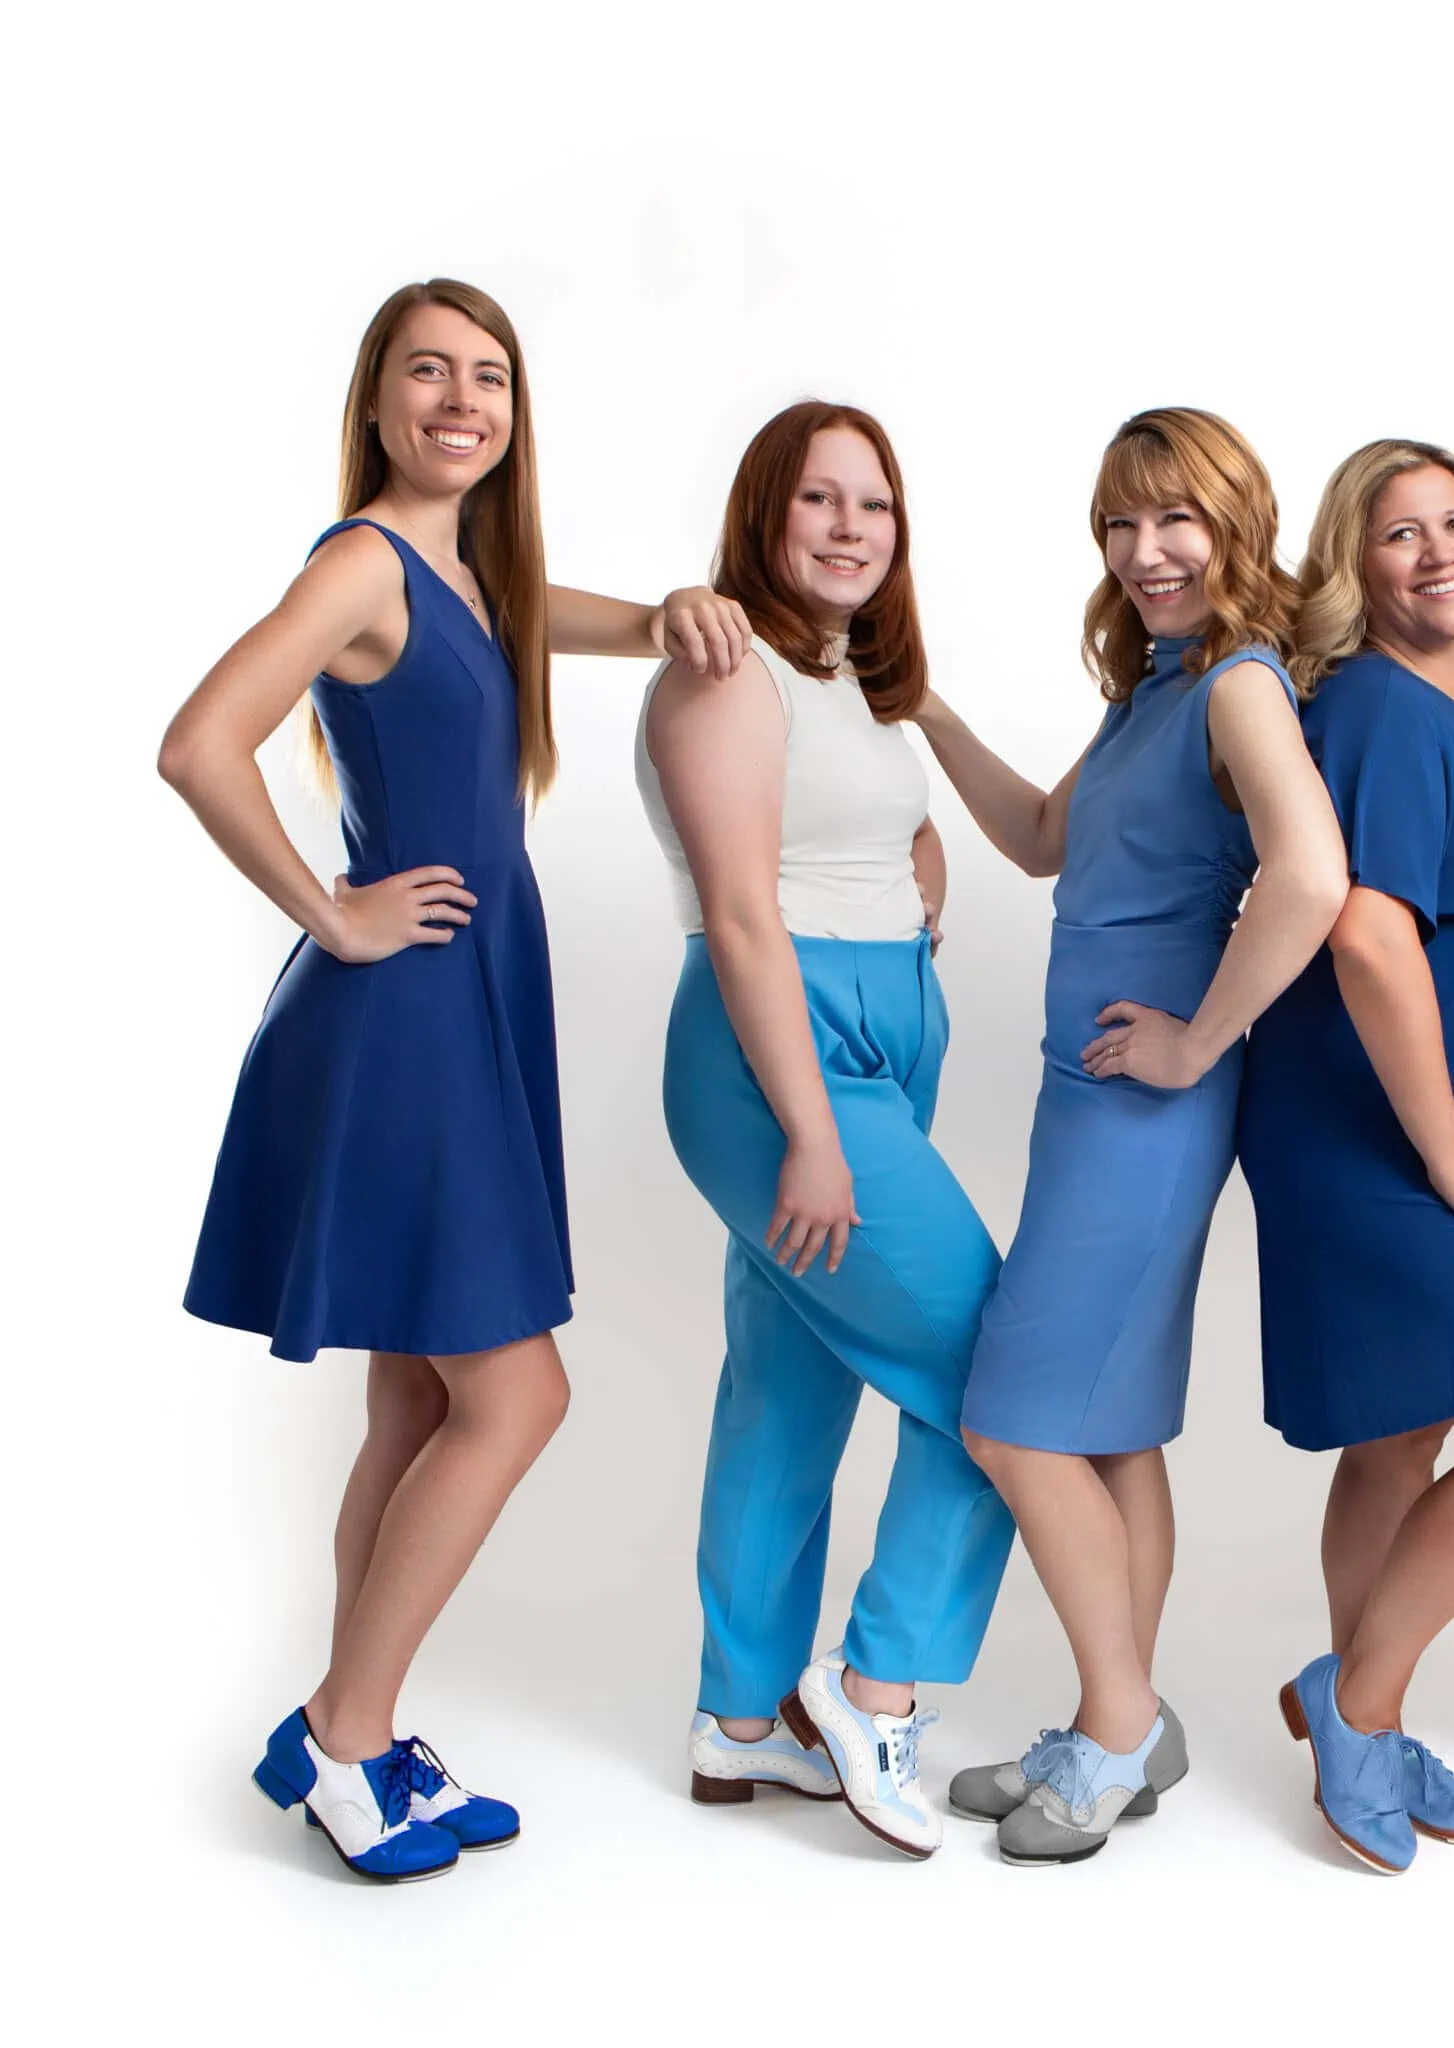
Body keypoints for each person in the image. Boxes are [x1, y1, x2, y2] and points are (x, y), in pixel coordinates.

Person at [163, 278, 747, 1882]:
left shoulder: (464, 572)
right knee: (518, 1390)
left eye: (489, 376)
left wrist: (676, 614)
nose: (461, 400)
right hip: (404, 1014)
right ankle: (352, 1748)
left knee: (422, 1393)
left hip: (474, 999)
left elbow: (552, 612)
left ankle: (346, 1716)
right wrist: (333, 910)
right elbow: (200, 741)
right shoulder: (362, 561)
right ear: (376, 399)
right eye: (429, 372)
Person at [918, 408, 1345, 1866]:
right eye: (1121, 523)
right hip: (1088, 1097)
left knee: (1012, 1422)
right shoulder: (1155, 686)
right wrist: (924, 714)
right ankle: (1124, 1728)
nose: (1146, 551)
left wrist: (1198, 1037)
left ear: (1236, 525)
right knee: (1105, 1429)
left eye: (1176, 521)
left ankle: (1114, 1728)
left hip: (1145, 1108)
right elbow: (1045, 837)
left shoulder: (1237, 685)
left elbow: (1312, 873)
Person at [638, 401, 1016, 1861]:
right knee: (1000, 1366)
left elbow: (855, 830)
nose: (852, 527)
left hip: (868, 1026)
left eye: (877, 504)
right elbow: (740, 910)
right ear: (764, 515)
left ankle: (738, 1723)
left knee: (789, 1380)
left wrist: (913, 873)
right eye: (820, 501)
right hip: (782, 1050)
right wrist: (810, 1125)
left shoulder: (851, 675)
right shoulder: (728, 667)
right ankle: (875, 1685)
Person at [1240, 440, 1454, 1874]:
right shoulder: (1378, 709)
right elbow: (1369, 932)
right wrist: (1447, 1150)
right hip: (1382, 1130)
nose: (1438, 551)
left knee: (1401, 1436)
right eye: (1399, 533)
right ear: (1352, 566)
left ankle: (1366, 1725)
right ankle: (1354, 1699)